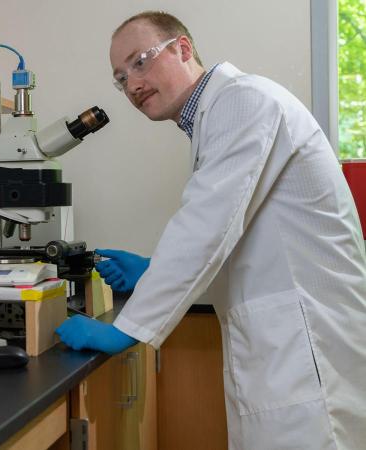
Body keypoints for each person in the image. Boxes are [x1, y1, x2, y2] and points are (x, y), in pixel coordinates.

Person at [55, 10, 366, 449]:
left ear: (182, 49)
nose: (133, 84)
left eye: (139, 62)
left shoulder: (243, 101)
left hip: (307, 350)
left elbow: (205, 225)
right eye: (120, 78)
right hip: (284, 347)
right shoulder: (217, 116)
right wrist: (150, 268)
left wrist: (127, 329)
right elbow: (241, 233)